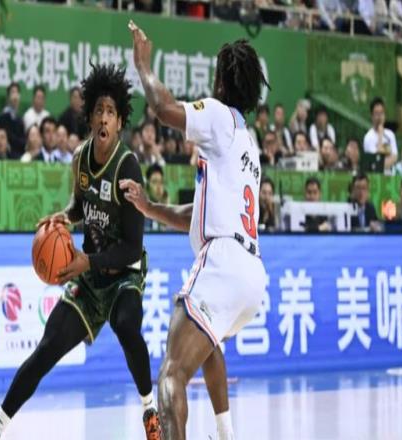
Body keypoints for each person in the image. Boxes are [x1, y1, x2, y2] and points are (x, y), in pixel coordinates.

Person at [0, 63, 161, 440]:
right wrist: (64, 216)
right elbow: (80, 206)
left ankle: (150, 411)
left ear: (120, 122)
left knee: (126, 324)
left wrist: (86, 260)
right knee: (46, 349)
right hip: (89, 277)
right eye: (99, 110)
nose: (104, 118)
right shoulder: (80, 157)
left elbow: (132, 246)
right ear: (90, 116)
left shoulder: (127, 166)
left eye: (111, 112)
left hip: (124, 273)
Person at [123, 21, 268, 440]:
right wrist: (150, 207)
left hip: (223, 262)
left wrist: (143, 65)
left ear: (221, 82)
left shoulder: (218, 116)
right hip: (251, 273)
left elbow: (164, 108)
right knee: (207, 339)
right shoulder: (248, 144)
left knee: (172, 373)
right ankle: (226, 434)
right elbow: (200, 213)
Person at [363, 97, 398, 174]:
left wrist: (382, 163)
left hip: (390, 176)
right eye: (377, 114)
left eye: (382, 113)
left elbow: (394, 158)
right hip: (375, 176)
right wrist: (380, 135)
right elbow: (376, 162)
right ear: (372, 116)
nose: (379, 117)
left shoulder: (390, 134)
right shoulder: (368, 137)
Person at [0, 82, 25, 159]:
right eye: (13, 92)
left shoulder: (19, 119)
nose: (15, 96)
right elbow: (8, 137)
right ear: (8, 97)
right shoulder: (3, 117)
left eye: (17, 93)